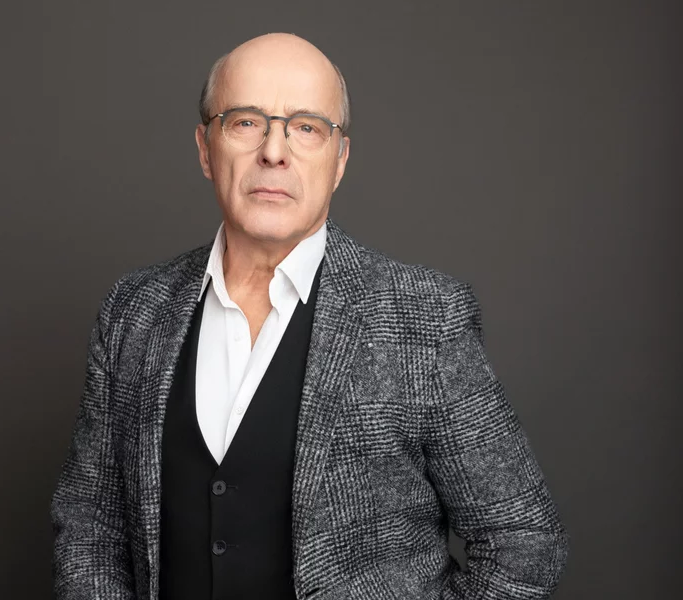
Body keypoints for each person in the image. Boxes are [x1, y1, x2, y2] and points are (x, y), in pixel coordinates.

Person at [50, 32, 569, 600]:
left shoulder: (427, 320)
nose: (274, 152)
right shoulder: (132, 312)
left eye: (306, 127)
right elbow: (89, 528)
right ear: (205, 148)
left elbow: (525, 541)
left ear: (339, 159)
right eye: (245, 122)